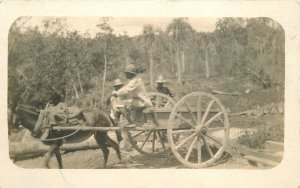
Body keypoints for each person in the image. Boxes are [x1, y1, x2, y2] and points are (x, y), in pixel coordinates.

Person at [112, 64, 152, 128]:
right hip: (137, 100)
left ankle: (131, 122)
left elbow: (126, 89)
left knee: (119, 104)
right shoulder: (133, 80)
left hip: (142, 102)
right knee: (123, 102)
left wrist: (115, 94)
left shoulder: (135, 80)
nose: (125, 75)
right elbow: (126, 89)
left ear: (130, 73)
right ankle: (130, 119)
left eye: (126, 73)